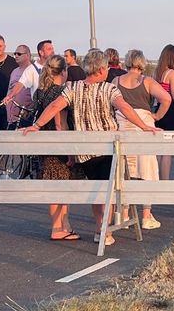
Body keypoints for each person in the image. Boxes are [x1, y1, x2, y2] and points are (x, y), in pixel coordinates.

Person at [23, 49, 158, 246]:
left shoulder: (72, 88)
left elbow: (53, 107)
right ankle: (103, 230)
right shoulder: (109, 89)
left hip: (84, 151)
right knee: (108, 191)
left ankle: (99, 225)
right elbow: (125, 108)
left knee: (96, 189)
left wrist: (36, 125)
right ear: (102, 69)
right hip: (106, 148)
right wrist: (144, 126)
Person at [113, 49, 171, 229]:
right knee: (147, 169)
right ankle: (146, 215)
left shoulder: (116, 81)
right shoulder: (147, 81)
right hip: (143, 123)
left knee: (124, 171)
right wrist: (157, 116)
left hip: (123, 124)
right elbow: (166, 98)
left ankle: (123, 215)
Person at [29, 55, 77, 240]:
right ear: (63, 71)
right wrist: (69, 152)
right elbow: (60, 123)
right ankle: (58, 228)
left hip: (44, 144)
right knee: (61, 186)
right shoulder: (61, 92)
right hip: (57, 145)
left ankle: (64, 225)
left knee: (55, 185)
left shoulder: (40, 91)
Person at [153, 44, 174, 180]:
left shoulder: (157, 72)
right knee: (167, 150)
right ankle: (164, 180)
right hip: (171, 110)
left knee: (159, 149)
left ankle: (156, 177)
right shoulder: (172, 73)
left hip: (159, 108)